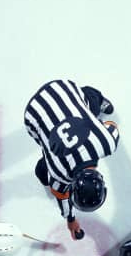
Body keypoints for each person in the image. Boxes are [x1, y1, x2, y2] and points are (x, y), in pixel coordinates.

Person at [23, 79, 119, 240]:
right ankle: (97, 98)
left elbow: (111, 125)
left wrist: (92, 127)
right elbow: (62, 197)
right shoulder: (58, 175)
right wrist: (70, 220)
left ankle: (93, 99)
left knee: (90, 109)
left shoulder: (107, 143)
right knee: (48, 154)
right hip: (32, 116)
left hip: (61, 89)